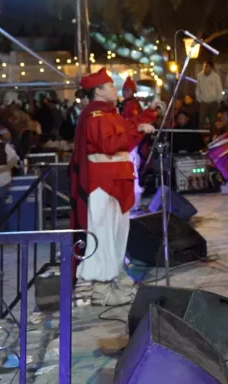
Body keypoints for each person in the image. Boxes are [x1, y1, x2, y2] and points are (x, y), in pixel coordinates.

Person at [70, 69, 156, 306]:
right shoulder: (95, 115)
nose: (114, 89)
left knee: (117, 234)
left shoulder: (109, 113)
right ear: (98, 91)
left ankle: (114, 280)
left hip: (116, 181)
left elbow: (126, 137)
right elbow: (109, 144)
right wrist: (138, 129)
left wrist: (145, 120)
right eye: (109, 85)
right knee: (104, 235)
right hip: (103, 183)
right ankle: (102, 289)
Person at [120, 77, 157, 213]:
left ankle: (134, 202)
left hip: (131, 143)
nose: (125, 92)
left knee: (133, 172)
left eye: (128, 90)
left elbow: (135, 122)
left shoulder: (132, 105)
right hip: (128, 141)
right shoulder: (125, 104)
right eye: (124, 90)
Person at [196, 61, 224, 136]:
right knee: (201, 121)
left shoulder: (215, 76)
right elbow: (198, 89)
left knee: (213, 121)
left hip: (213, 101)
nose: (205, 68)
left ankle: (212, 136)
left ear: (211, 68)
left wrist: (218, 100)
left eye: (207, 66)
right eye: (204, 66)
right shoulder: (199, 76)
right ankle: (200, 137)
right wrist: (199, 99)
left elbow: (219, 89)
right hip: (203, 102)